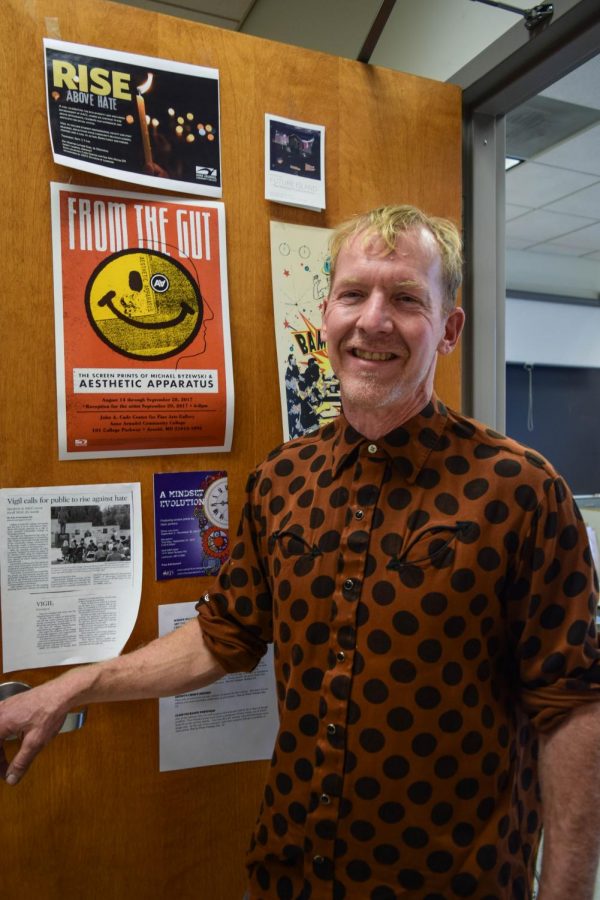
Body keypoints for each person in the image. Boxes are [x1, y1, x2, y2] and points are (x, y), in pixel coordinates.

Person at [1, 205, 599, 900]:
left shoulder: (520, 489)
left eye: (406, 298)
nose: (373, 321)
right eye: (354, 294)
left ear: (449, 330)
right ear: (326, 318)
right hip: (288, 877)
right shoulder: (282, 479)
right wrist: (75, 685)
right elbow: (223, 639)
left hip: (450, 884)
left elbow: (573, 708)